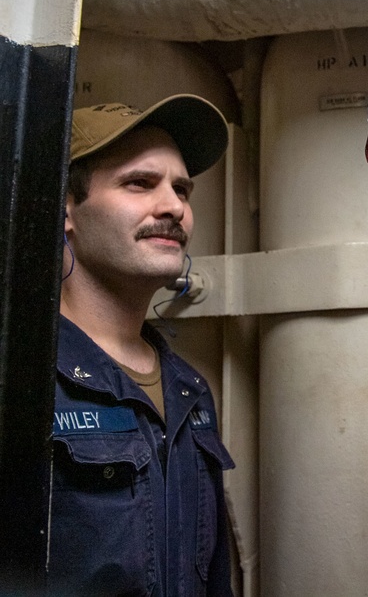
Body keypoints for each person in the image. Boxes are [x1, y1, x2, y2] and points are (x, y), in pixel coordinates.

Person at [52, 95, 235, 595]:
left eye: (182, 189)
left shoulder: (190, 392)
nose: (174, 207)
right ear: (64, 209)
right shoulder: (24, 380)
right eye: (139, 183)